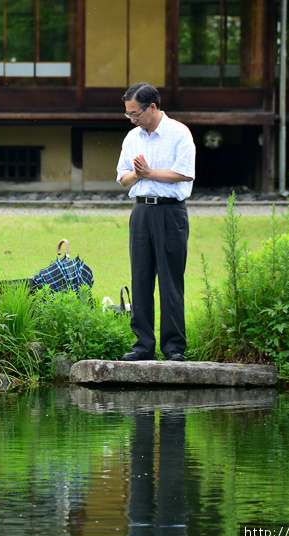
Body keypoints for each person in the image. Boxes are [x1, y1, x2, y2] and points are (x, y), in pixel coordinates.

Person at [115, 82, 196, 362]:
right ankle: (142, 346)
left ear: (152, 107)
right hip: (141, 212)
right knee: (140, 280)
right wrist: (138, 175)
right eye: (128, 114)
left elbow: (184, 174)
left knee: (171, 281)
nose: (132, 119)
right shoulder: (132, 138)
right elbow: (123, 177)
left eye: (135, 113)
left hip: (170, 212)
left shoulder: (179, 133)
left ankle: (174, 348)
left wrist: (149, 172)